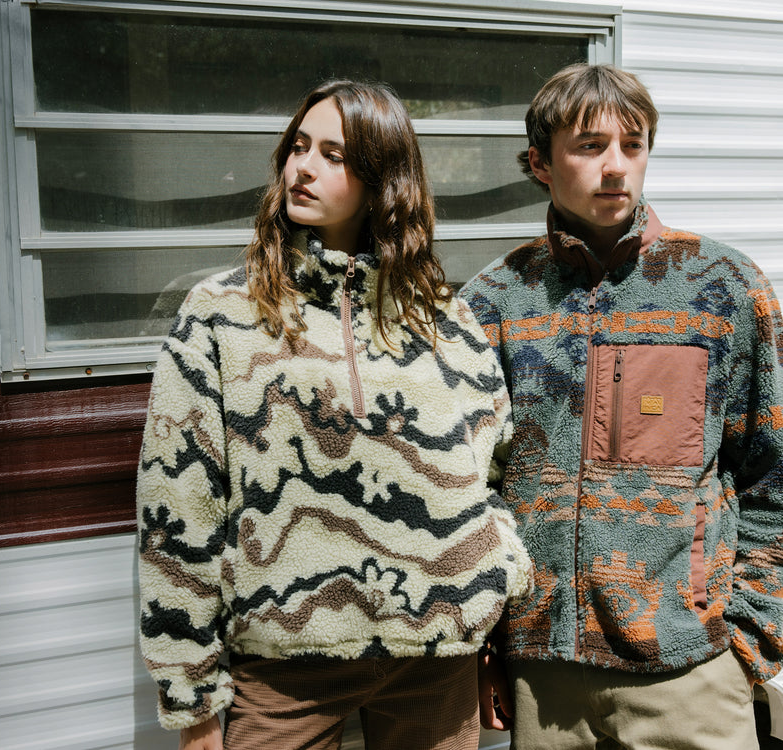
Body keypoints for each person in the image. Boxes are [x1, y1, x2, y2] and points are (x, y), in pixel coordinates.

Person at [136, 79, 533, 750]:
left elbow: (493, 470)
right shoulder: (224, 313)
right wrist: (190, 695)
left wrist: (495, 583)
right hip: (286, 664)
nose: (304, 167)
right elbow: (177, 500)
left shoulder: (444, 319)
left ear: (383, 178)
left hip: (437, 659)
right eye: (298, 147)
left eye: (333, 154)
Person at [462, 63, 783, 749]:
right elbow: (471, 493)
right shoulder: (494, 302)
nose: (616, 166)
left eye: (633, 144)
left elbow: (778, 477)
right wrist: (486, 647)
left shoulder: (723, 288)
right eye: (590, 146)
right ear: (540, 162)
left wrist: (747, 639)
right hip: (543, 678)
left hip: (690, 672)